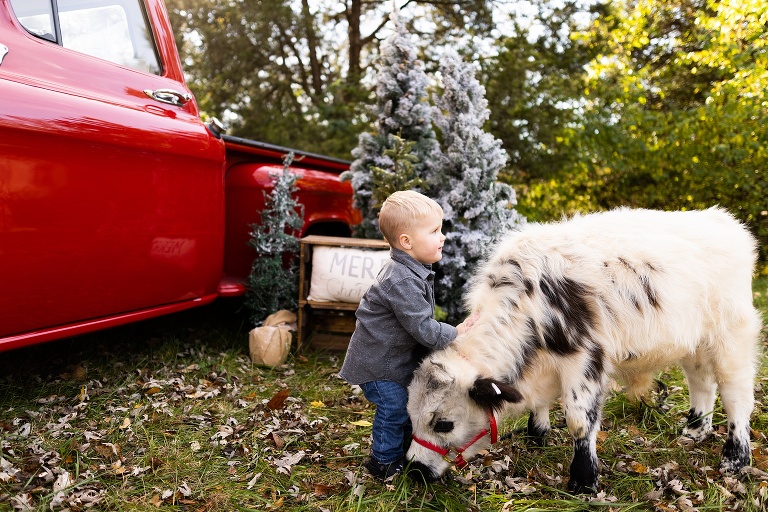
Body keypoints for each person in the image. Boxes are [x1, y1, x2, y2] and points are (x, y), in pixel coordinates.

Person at [339, 190, 477, 479]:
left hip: (394, 361)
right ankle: (383, 461)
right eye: (435, 231)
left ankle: (405, 451)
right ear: (406, 241)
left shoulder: (414, 271)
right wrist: (456, 332)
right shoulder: (400, 279)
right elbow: (424, 329)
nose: (443, 237)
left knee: (406, 405)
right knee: (394, 407)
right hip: (376, 364)